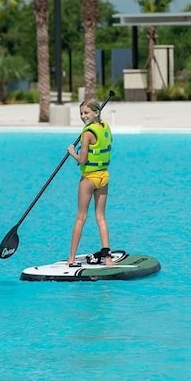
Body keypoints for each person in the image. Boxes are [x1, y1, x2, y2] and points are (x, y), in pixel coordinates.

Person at [66, 98, 114, 267]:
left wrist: (72, 152)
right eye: (81, 113)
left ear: (96, 112)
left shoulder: (87, 133)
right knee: (101, 217)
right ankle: (107, 258)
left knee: (81, 217)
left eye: (86, 113)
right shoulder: (105, 127)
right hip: (103, 178)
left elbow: (83, 160)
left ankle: (71, 259)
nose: (83, 116)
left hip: (89, 179)